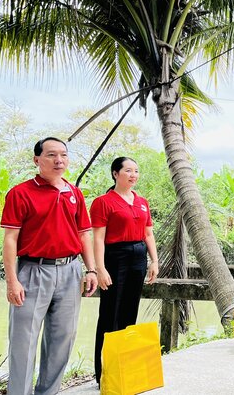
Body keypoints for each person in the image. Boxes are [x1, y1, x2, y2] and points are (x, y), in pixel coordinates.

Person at [0, 137, 98, 395]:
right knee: (24, 341)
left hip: (70, 271)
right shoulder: (20, 193)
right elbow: (10, 240)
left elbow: (84, 235)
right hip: (33, 271)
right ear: (37, 160)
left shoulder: (74, 193)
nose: (59, 160)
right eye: (52, 155)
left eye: (63, 155)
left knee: (62, 339)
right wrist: (12, 281)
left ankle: (48, 392)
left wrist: (91, 269)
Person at [91, 156, 160, 383]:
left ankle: (126, 368)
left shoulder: (142, 201)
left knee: (130, 312)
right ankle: (104, 373)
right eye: (128, 170)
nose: (133, 175)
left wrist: (154, 261)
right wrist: (99, 268)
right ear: (115, 174)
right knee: (110, 314)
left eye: (136, 171)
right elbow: (98, 238)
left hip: (138, 256)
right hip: (114, 257)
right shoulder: (103, 202)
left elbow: (148, 233)